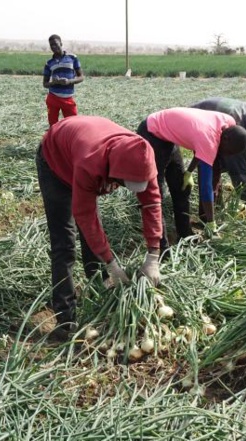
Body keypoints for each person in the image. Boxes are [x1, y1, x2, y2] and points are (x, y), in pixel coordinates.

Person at [36, 116, 163, 339]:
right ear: (115, 171)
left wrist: (154, 253)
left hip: (83, 145)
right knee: (65, 242)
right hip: (56, 161)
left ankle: (97, 287)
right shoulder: (90, 162)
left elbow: (151, 203)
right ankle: (65, 320)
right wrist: (112, 264)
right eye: (124, 183)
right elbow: (85, 216)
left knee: (91, 235)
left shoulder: (143, 158)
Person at [136, 108, 246, 248]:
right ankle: (162, 248)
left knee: (182, 189)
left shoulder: (229, 123)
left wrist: (189, 172)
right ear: (226, 139)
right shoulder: (209, 138)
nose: (226, 155)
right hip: (151, 133)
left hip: (168, 135)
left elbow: (202, 149)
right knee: (154, 195)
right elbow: (206, 188)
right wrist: (211, 223)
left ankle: (185, 235)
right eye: (228, 151)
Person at [190, 97, 246, 217]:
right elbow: (239, 177)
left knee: (224, 163)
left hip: (213, 113)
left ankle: (217, 204)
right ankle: (207, 217)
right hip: (197, 121)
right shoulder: (238, 134)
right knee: (211, 168)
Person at [42, 34, 84, 126]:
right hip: (53, 98)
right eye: (51, 45)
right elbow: (45, 84)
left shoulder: (72, 58)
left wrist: (69, 81)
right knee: (53, 125)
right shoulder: (49, 63)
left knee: (73, 124)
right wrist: (54, 82)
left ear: (61, 43)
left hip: (68, 99)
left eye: (55, 44)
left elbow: (81, 77)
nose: (53, 47)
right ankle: (53, 139)